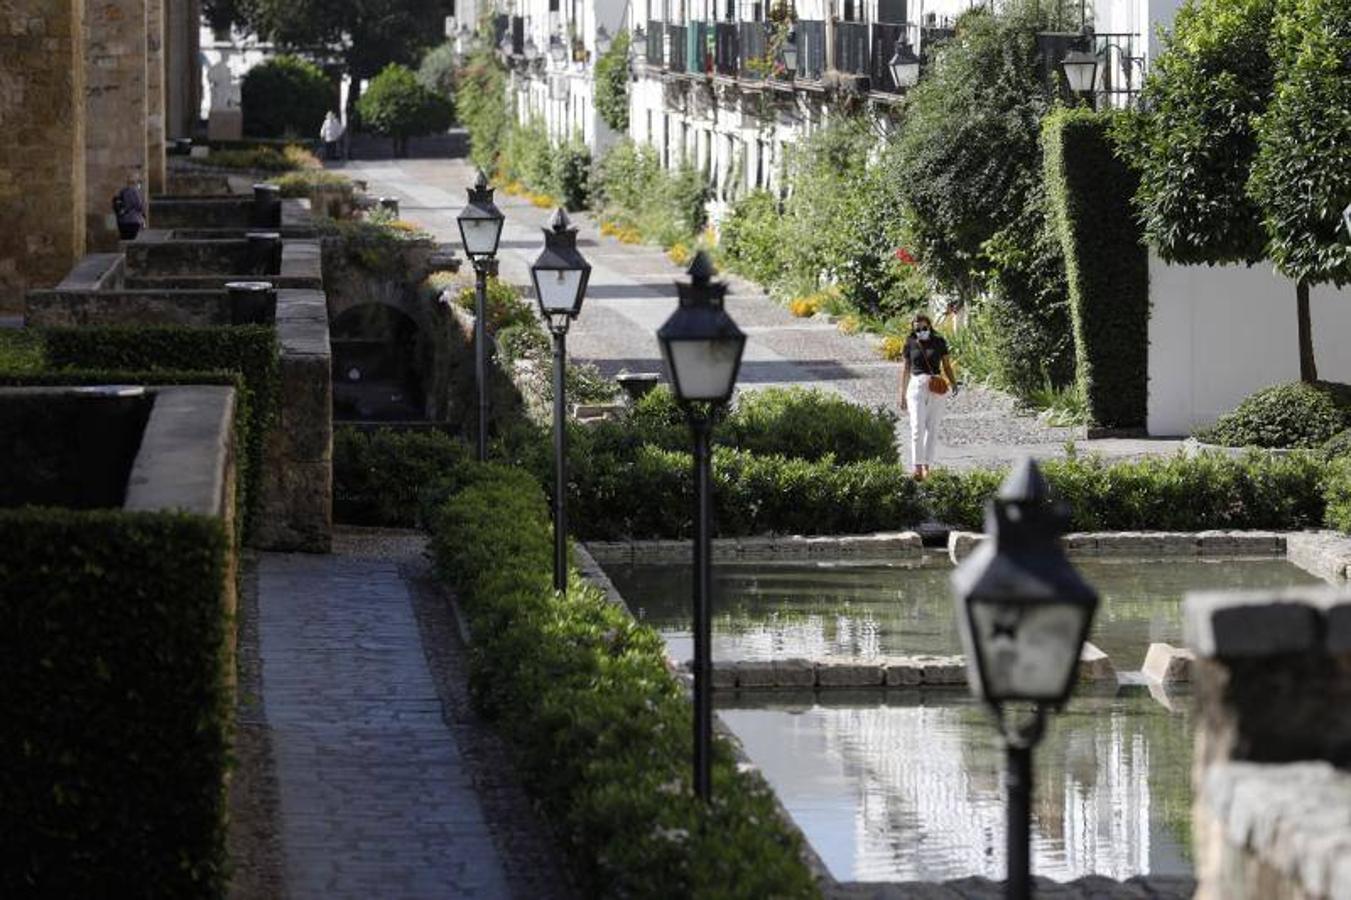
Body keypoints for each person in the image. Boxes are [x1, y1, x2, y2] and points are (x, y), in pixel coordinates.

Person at [898, 313, 958, 480]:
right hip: (916, 386)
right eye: (917, 329)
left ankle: (926, 466)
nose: (921, 331)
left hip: (936, 387)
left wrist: (953, 383)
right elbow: (905, 369)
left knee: (932, 429)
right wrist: (901, 395)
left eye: (924, 328)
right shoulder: (910, 343)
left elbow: (946, 365)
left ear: (930, 326)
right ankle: (917, 466)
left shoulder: (939, 342)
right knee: (917, 427)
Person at [112, 171, 146, 241]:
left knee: (124, 240)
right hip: (133, 221)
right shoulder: (135, 191)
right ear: (135, 182)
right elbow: (139, 206)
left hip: (122, 221)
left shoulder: (122, 191)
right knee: (132, 242)